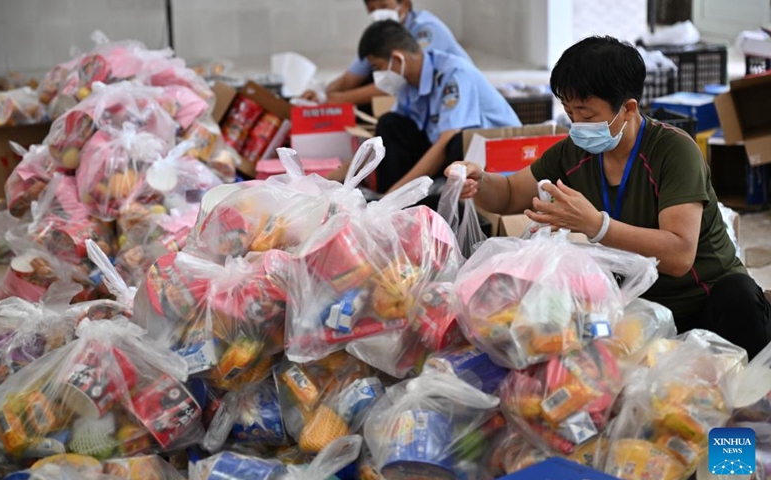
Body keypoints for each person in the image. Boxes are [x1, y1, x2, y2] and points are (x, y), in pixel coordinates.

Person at [447, 35, 771, 358]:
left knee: (738, 298)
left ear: (628, 108)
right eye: (569, 113)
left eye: (586, 116)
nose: (576, 125)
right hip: (636, 307)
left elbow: (679, 254)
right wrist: (480, 180)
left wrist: (597, 226)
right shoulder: (573, 153)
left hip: (704, 302)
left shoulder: (673, 151)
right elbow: (507, 196)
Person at [329, 20, 521, 195]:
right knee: (389, 125)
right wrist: (331, 180)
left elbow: (445, 141)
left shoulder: (454, 74)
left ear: (397, 58)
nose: (378, 76)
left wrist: (396, 194)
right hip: (441, 149)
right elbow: (384, 141)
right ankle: (392, 203)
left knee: (455, 141)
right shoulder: (407, 82)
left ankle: (404, 202)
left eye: (378, 67)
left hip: (494, 155)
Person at [301, 0, 471, 107]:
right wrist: (321, 95)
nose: (378, 13)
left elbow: (398, 78)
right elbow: (351, 77)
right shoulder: (380, 35)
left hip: (452, 93)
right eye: (372, 9)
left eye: (383, 6)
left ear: (404, 4)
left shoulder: (426, 30)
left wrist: (340, 98)